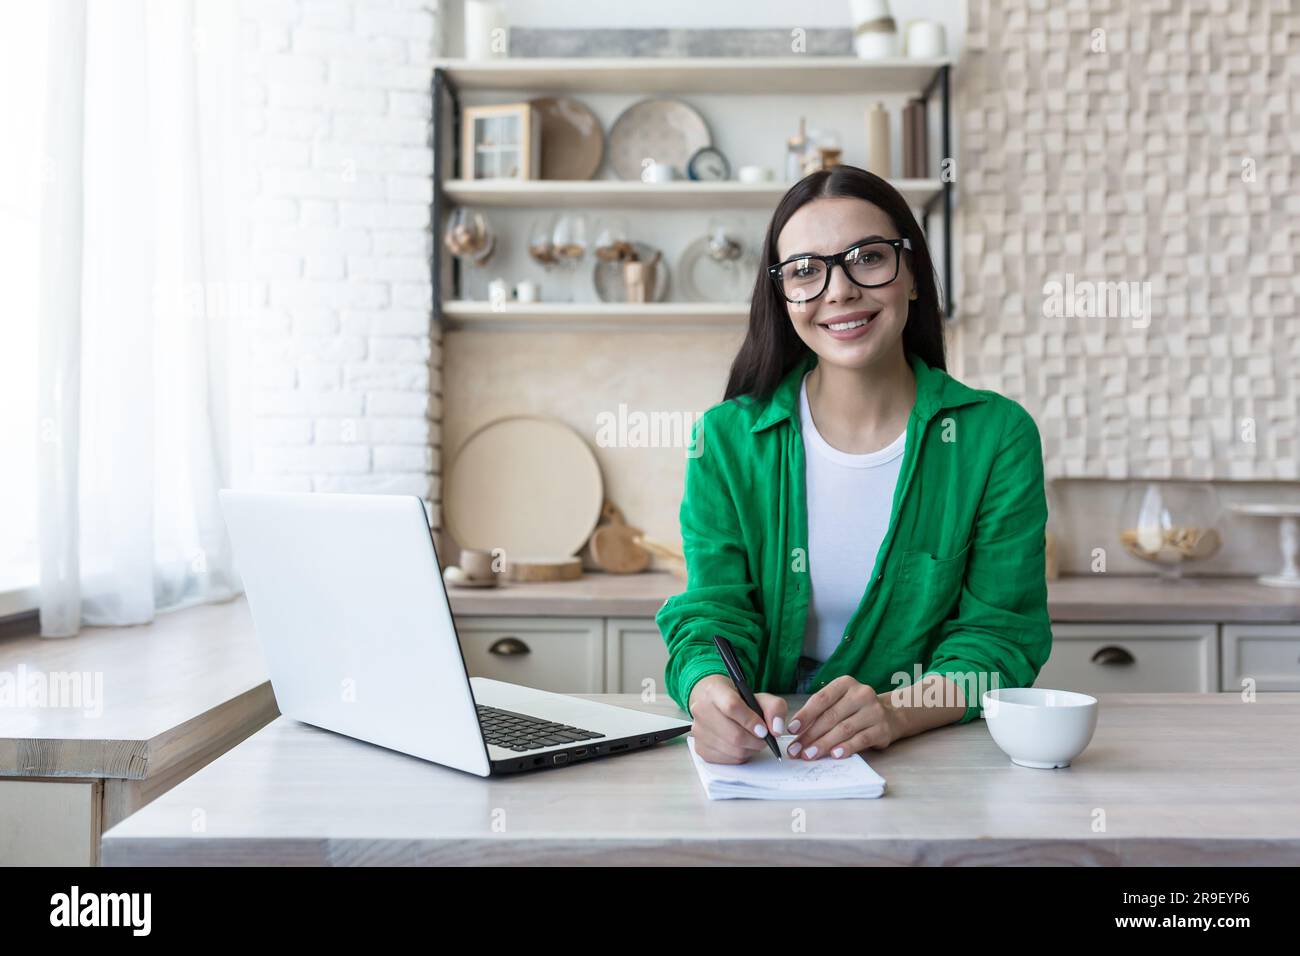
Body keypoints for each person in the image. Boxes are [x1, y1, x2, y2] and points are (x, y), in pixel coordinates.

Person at [657, 164, 1052, 764]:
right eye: (806, 271)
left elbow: (998, 638)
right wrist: (709, 695)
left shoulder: (995, 436)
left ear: (912, 273)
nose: (837, 291)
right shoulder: (725, 439)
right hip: (769, 763)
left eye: (867, 258)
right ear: (783, 295)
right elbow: (714, 612)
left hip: (931, 760)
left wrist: (893, 713)